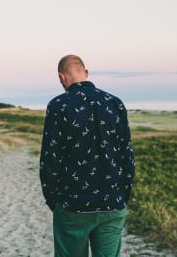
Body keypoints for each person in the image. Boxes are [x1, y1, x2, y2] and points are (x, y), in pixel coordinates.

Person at [39, 55, 135, 257]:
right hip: (112, 203)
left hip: (72, 204)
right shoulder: (115, 103)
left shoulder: (58, 106)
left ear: (61, 77)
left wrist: (55, 202)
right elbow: (127, 156)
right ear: (86, 73)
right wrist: (121, 196)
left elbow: (49, 161)